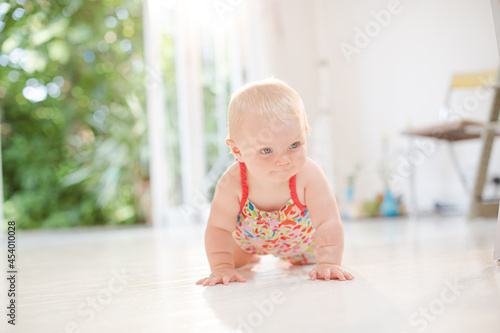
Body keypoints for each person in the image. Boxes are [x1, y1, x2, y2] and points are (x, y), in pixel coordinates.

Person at [196, 78, 354, 286]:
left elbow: (328, 221)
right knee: (229, 258)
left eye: (294, 144)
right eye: (266, 150)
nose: (284, 160)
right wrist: (221, 267)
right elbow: (218, 228)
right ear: (237, 150)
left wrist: (329, 262)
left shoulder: (308, 175)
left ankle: (312, 259)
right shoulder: (232, 183)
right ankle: (246, 258)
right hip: (248, 243)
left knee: (316, 258)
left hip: (302, 246)